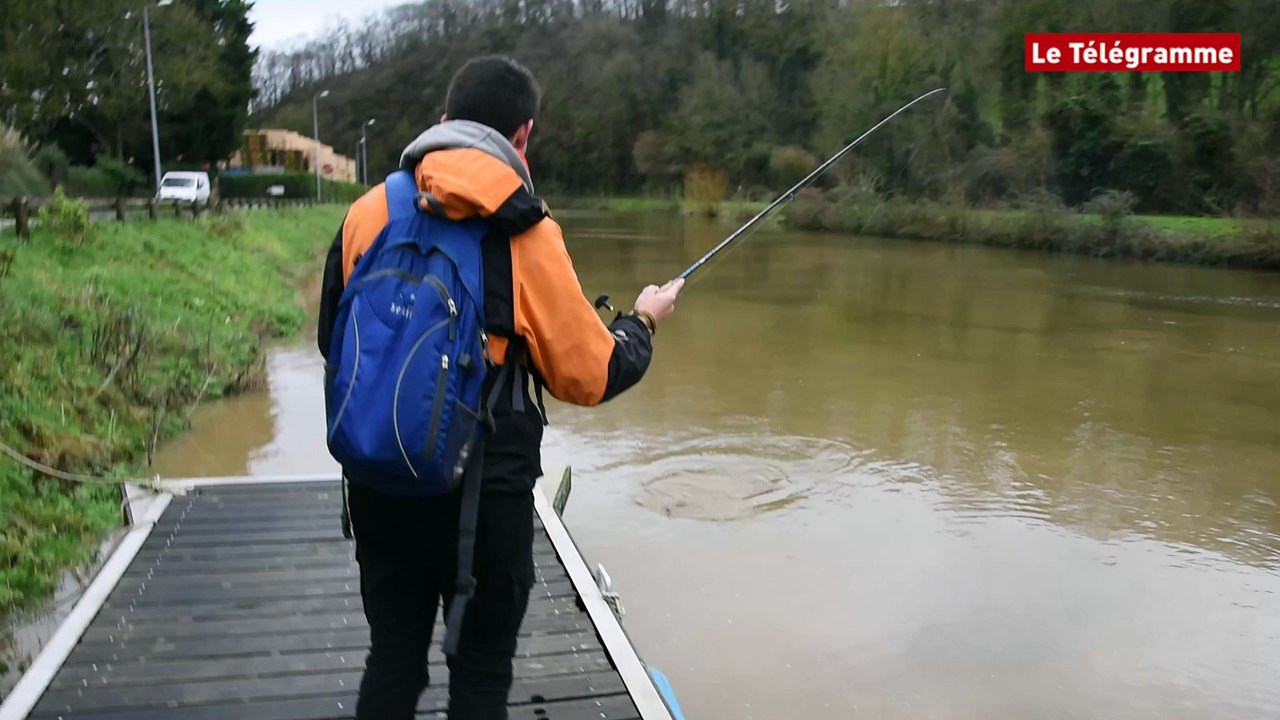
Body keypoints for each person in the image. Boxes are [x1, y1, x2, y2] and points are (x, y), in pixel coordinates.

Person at [316, 55, 683, 720]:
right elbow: (590, 375)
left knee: (392, 656)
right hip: (485, 493)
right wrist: (643, 324)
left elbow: (330, 341)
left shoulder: (368, 212)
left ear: (442, 120)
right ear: (524, 136)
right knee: (481, 673)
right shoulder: (527, 230)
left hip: (378, 472)